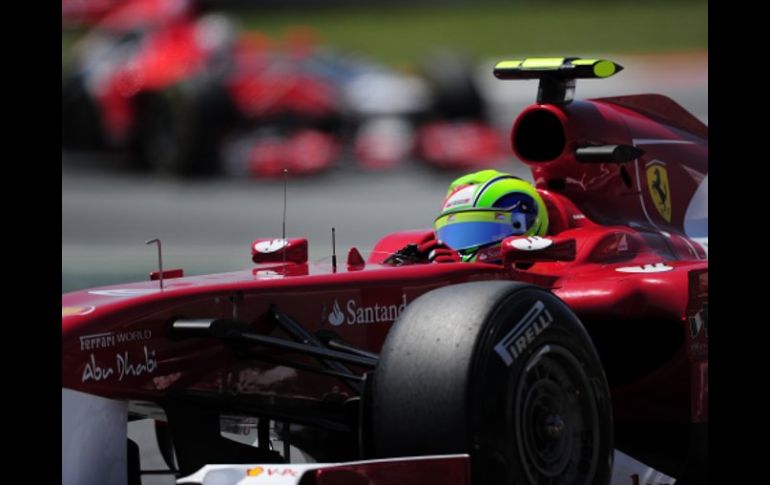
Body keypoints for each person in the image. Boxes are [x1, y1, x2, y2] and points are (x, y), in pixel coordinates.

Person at [387, 169, 549, 264]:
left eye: (481, 231)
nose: (460, 251)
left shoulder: (553, 278)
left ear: (524, 225)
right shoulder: (436, 259)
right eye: (456, 234)